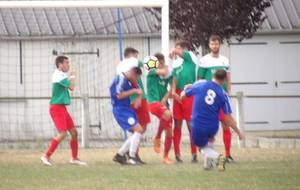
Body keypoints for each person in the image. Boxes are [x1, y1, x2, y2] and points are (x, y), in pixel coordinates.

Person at [180, 70, 244, 171]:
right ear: (223, 81)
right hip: (213, 126)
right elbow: (228, 118)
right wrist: (239, 132)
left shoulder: (202, 85)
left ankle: (219, 157)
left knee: (201, 147)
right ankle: (209, 165)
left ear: (213, 76)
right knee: (208, 144)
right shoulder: (223, 94)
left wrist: (185, 89)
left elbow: (183, 95)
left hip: (199, 124)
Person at [41, 55, 86, 166]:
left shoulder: (62, 75)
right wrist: (73, 77)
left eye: (68, 62)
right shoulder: (58, 75)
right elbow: (72, 87)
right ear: (60, 64)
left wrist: (70, 77)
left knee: (74, 132)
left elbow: (69, 86)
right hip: (56, 108)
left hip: (62, 108)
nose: (68, 64)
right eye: (66, 62)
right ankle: (46, 156)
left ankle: (74, 158)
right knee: (63, 134)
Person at [198, 34, 234, 163]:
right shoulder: (204, 60)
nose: (214, 46)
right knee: (210, 127)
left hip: (222, 97)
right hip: (210, 99)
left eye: (216, 43)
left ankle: (228, 154)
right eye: (212, 44)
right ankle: (209, 156)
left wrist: (228, 92)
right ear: (209, 45)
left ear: (220, 45)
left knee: (226, 125)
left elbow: (228, 77)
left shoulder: (225, 60)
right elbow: (199, 80)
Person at [116, 47, 151, 164]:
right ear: (131, 55)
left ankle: (123, 153)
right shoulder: (131, 62)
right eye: (136, 55)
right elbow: (148, 64)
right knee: (140, 128)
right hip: (137, 99)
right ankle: (131, 154)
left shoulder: (121, 66)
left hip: (135, 98)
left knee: (139, 128)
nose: (137, 59)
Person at [111, 57, 144, 165]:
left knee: (135, 132)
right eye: (137, 78)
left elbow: (140, 90)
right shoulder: (120, 78)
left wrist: (138, 97)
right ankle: (131, 156)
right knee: (138, 129)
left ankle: (120, 155)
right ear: (132, 73)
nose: (136, 80)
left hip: (126, 108)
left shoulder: (130, 80)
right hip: (120, 109)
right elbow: (119, 95)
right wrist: (134, 91)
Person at [169, 41, 198, 163]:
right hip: (178, 96)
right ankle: (177, 154)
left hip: (189, 93)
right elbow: (174, 79)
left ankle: (194, 153)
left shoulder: (191, 57)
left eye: (180, 48)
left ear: (185, 49)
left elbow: (179, 53)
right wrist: (174, 92)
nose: (177, 50)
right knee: (177, 124)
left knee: (191, 125)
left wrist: (174, 51)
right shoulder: (175, 63)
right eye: (176, 48)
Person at [147, 53, 174, 165]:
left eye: (162, 62)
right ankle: (157, 137)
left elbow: (172, 88)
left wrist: (165, 97)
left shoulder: (167, 75)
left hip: (164, 103)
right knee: (168, 114)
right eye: (159, 63)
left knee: (169, 133)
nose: (161, 64)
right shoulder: (151, 72)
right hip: (153, 102)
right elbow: (165, 71)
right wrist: (169, 66)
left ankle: (165, 157)